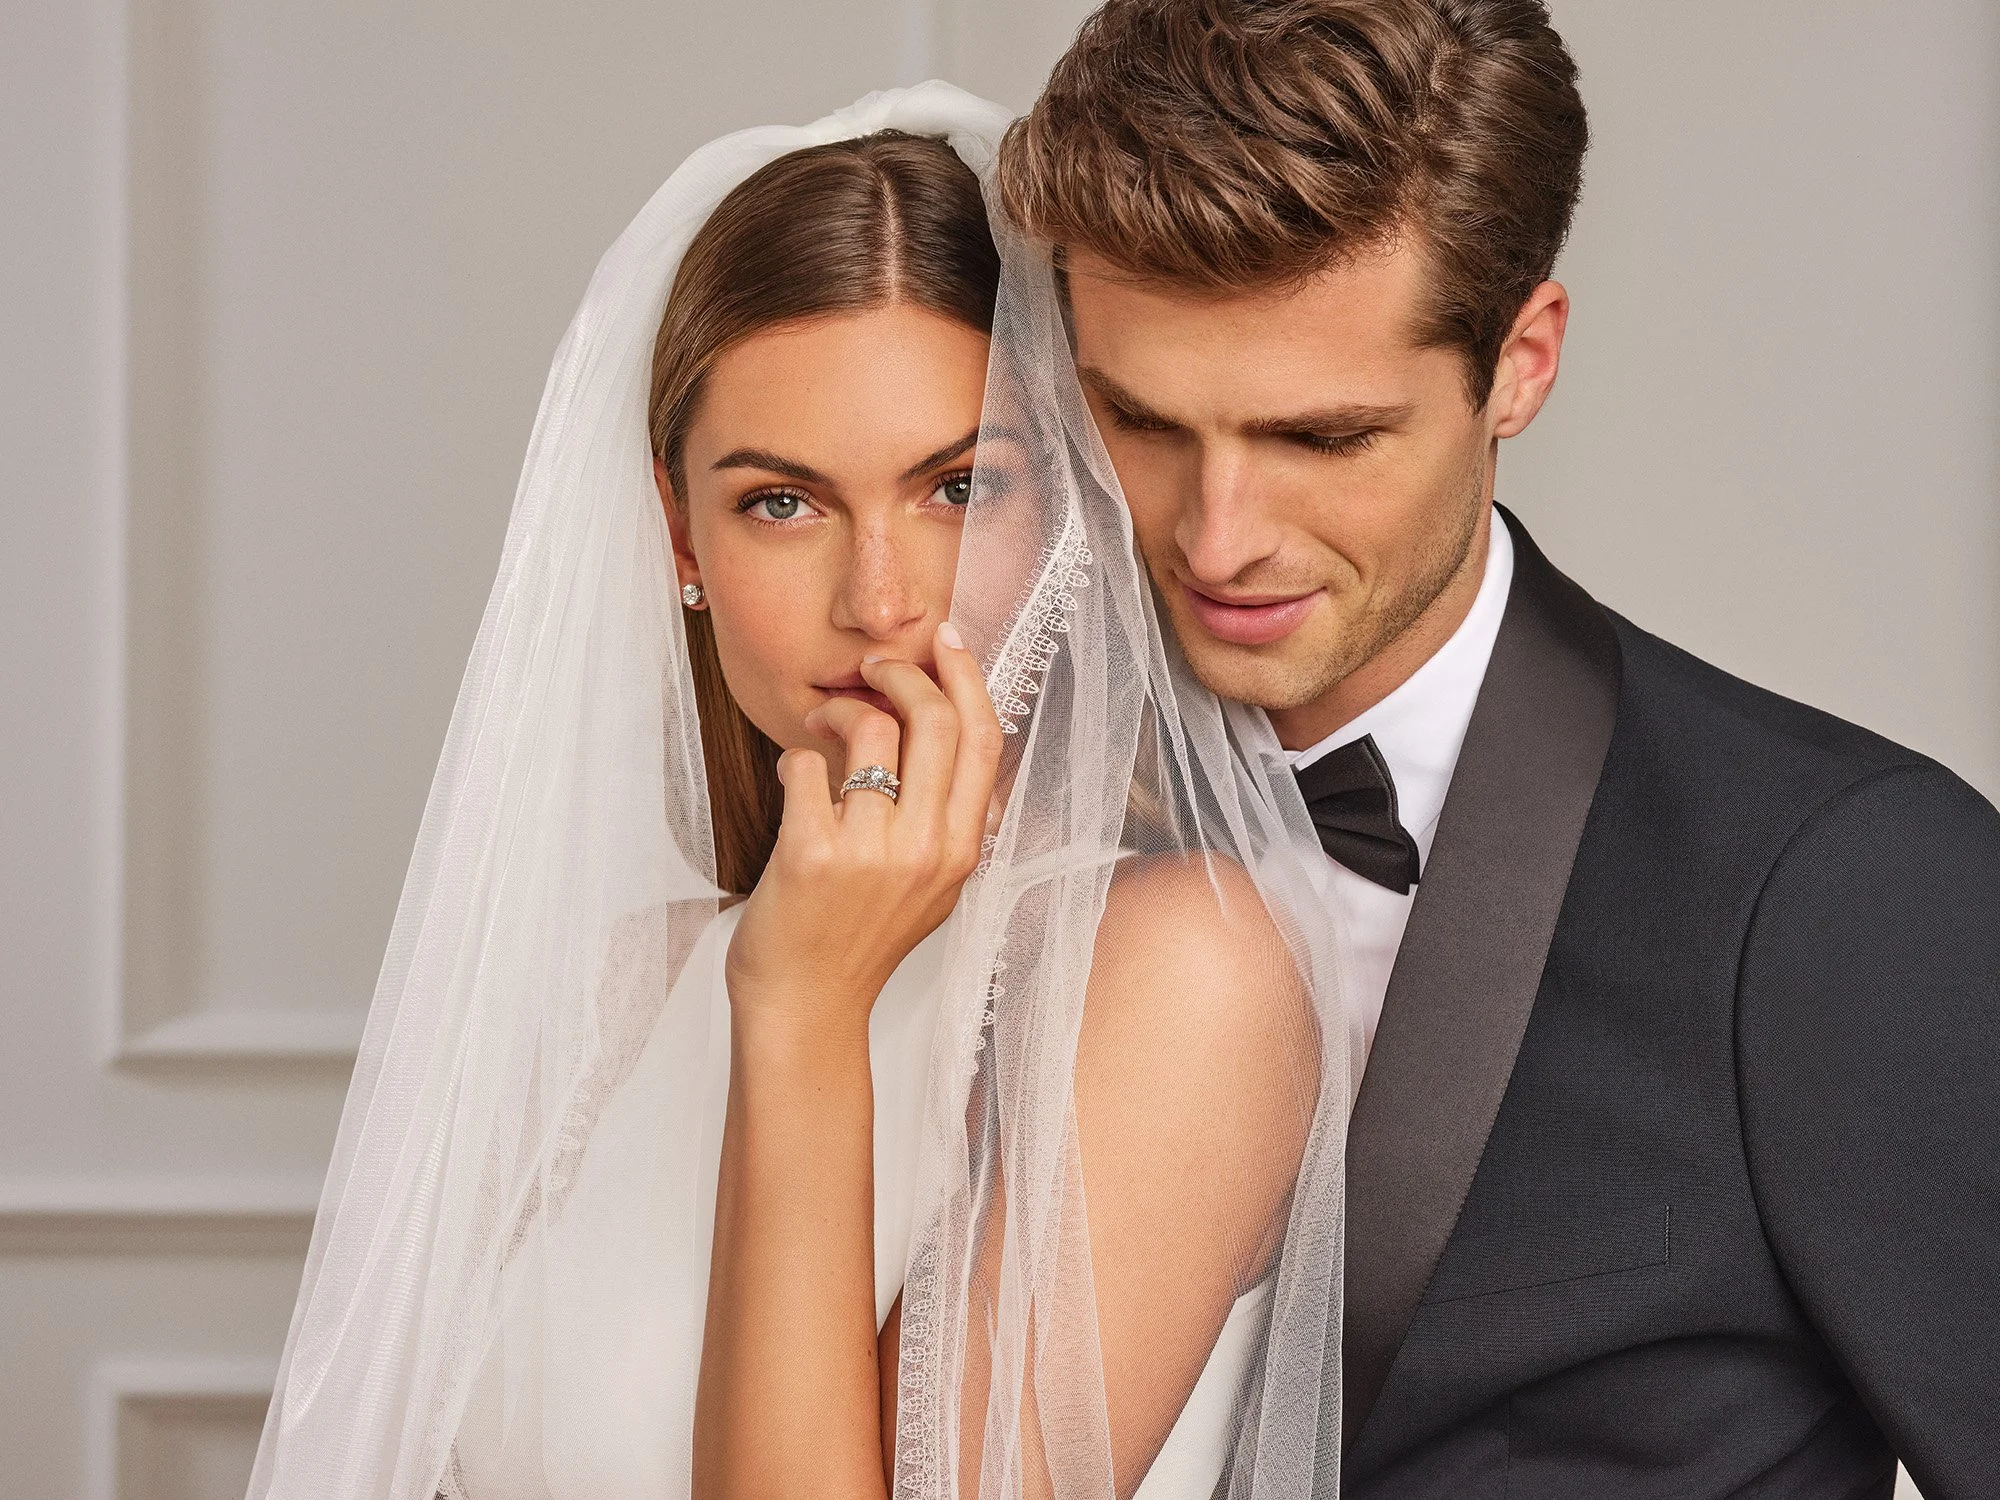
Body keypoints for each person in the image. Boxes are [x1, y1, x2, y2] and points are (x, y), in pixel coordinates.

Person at [247, 85, 1352, 1500]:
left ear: (1070, 510)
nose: (880, 603)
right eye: (783, 502)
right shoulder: (620, 989)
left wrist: (808, 1006)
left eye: (962, 487)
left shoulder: (1190, 974)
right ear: (680, 538)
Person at [997, 1, 2000, 1497]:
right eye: (1138, 421)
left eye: (1321, 439)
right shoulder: (967, 825)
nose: (1217, 537)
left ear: (1520, 363)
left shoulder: (1843, 885)